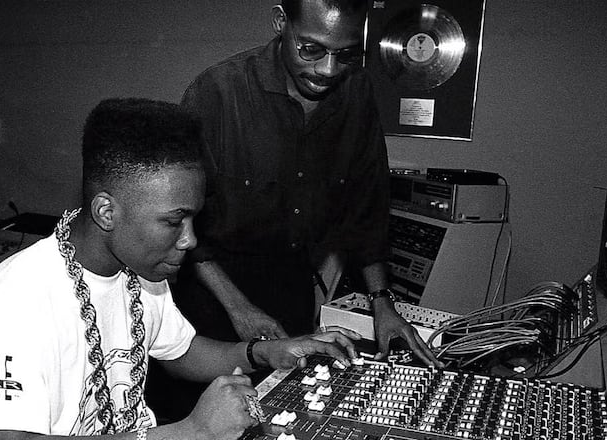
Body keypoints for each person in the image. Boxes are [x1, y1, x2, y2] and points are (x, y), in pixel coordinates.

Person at [0, 97, 361, 440]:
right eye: (173, 221)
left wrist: (268, 352)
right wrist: (190, 432)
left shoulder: (142, 270)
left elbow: (182, 351)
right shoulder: (10, 302)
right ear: (106, 211)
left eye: (194, 220)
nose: (190, 240)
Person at [172, 0, 441, 365]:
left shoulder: (357, 92)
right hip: (214, 290)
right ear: (281, 21)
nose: (328, 69)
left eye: (344, 54)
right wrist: (239, 308)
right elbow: (182, 224)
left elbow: (368, 207)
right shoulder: (218, 92)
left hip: (292, 284)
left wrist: (382, 301)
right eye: (311, 49)